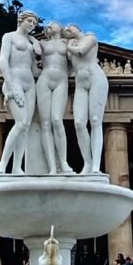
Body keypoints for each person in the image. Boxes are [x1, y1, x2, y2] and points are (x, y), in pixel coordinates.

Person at [0, 11, 41, 174]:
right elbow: (3, 61)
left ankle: (16, 167)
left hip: (29, 83)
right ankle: (2, 164)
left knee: (25, 127)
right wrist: (11, 85)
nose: (32, 25)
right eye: (29, 21)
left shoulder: (31, 43)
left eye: (34, 24)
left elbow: (35, 70)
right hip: (15, 81)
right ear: (21, 20)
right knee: (20, 123)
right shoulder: (9, 37)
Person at [62, 23, 109, 174]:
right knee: (79, 123)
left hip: (96, 79)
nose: (67, 31)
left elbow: (81, 52)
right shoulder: (70, 46)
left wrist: (67, 46)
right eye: (66, 31)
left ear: (77, 28)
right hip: (80, 84)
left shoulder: (90, 38)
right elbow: (69, 69)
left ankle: (96, 166)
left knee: (95, 121)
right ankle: (87, 163)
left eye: (69, 28)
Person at [35, 21, 74, 174]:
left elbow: (74, 60)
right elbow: (32, 50)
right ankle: (52, 166)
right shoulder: (42, 43)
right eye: (48, 26)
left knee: (57, 120)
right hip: (44, 79)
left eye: (53, 24)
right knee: (45, 123)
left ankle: (63, 163)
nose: (50, 26)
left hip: (61, 80)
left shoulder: (68, 42)